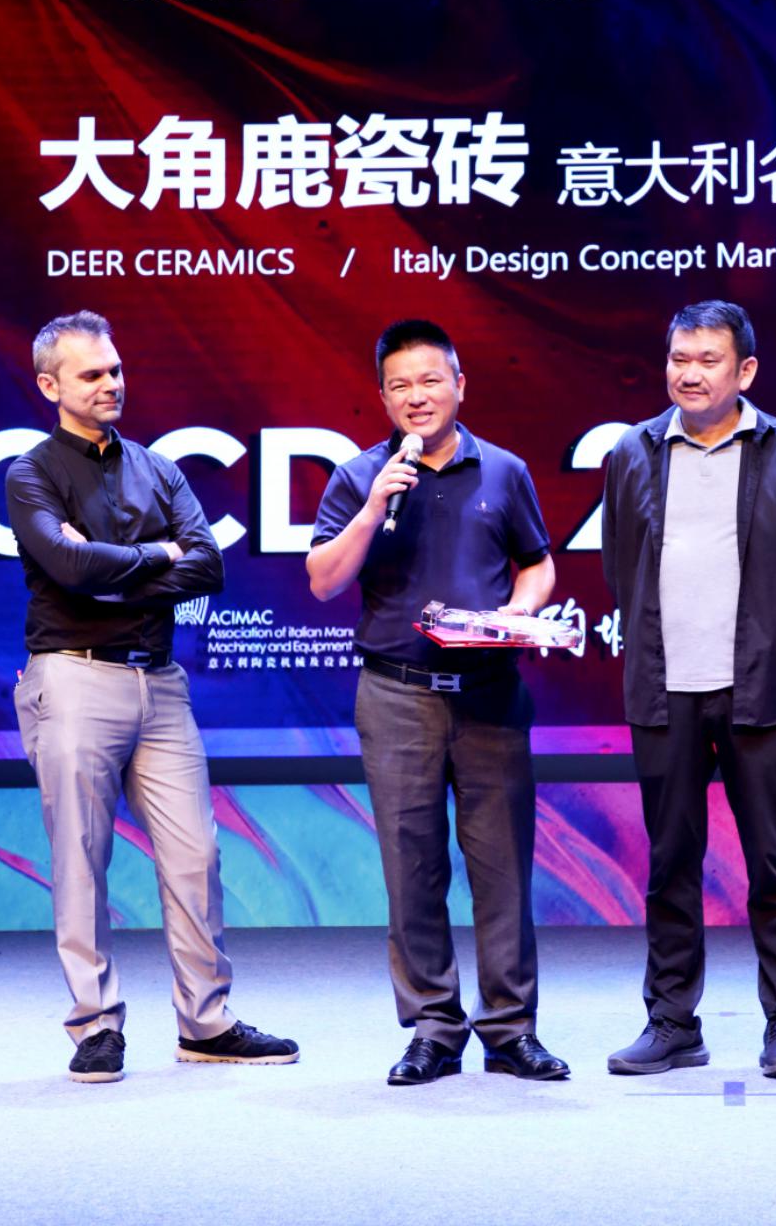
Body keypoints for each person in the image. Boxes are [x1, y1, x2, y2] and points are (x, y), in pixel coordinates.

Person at [7, 311, 298, 1083]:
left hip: (161, 683)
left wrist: (120, 567)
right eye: (91, 374)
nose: (111, 383)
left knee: (197, 855)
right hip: (72, 677)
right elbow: (69, 568)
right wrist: (155, 555)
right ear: (50, 386)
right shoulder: (31, 474)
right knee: (81, 858)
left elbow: (207, 567)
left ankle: (207, 1022)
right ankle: (95, 1026)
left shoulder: (159, 468)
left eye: (115, 369)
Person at [306, 318, 568, 1085]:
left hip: (489, 693)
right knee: (411, 867)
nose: (416, 396)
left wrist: (517, 611)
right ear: (383, 397)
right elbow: (322, 581)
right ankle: (433, 1027)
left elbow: (538, 565)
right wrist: (371, 508)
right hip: (397, 695)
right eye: (400, 386)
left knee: (502, 868)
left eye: (430, 380)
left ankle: (511, 1030)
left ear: (459, 384)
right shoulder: (360, 476)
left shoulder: (504, 471)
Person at [601, 300, 776, 1078]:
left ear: (746, 371)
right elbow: (620, 567)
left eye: (708, 360)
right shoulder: (632, 452)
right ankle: (672, 1022)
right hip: (664, 688)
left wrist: (764, 635)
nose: (690, 374)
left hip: (758, 691)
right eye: (679, 358)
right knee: (670, 861)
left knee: (772, 863)